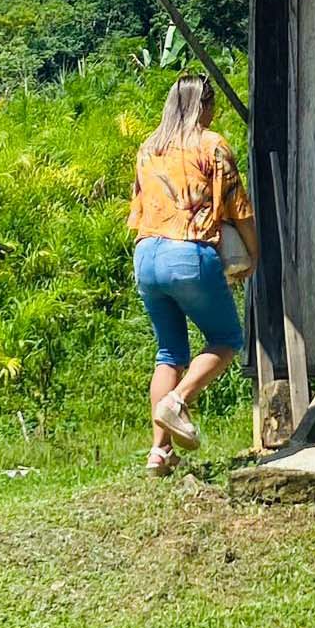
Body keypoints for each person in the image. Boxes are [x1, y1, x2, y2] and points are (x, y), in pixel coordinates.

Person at [128, 73, 258, 475]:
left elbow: (137, 204)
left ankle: (159, 453)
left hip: (145, 255)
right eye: (212, 103)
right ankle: (178, 400)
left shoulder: (149, 147)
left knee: (169, 353)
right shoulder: (210, 143)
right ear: (204, 105)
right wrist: (254, 254)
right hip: (187, 252)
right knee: (226, 338)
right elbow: (239, 207)